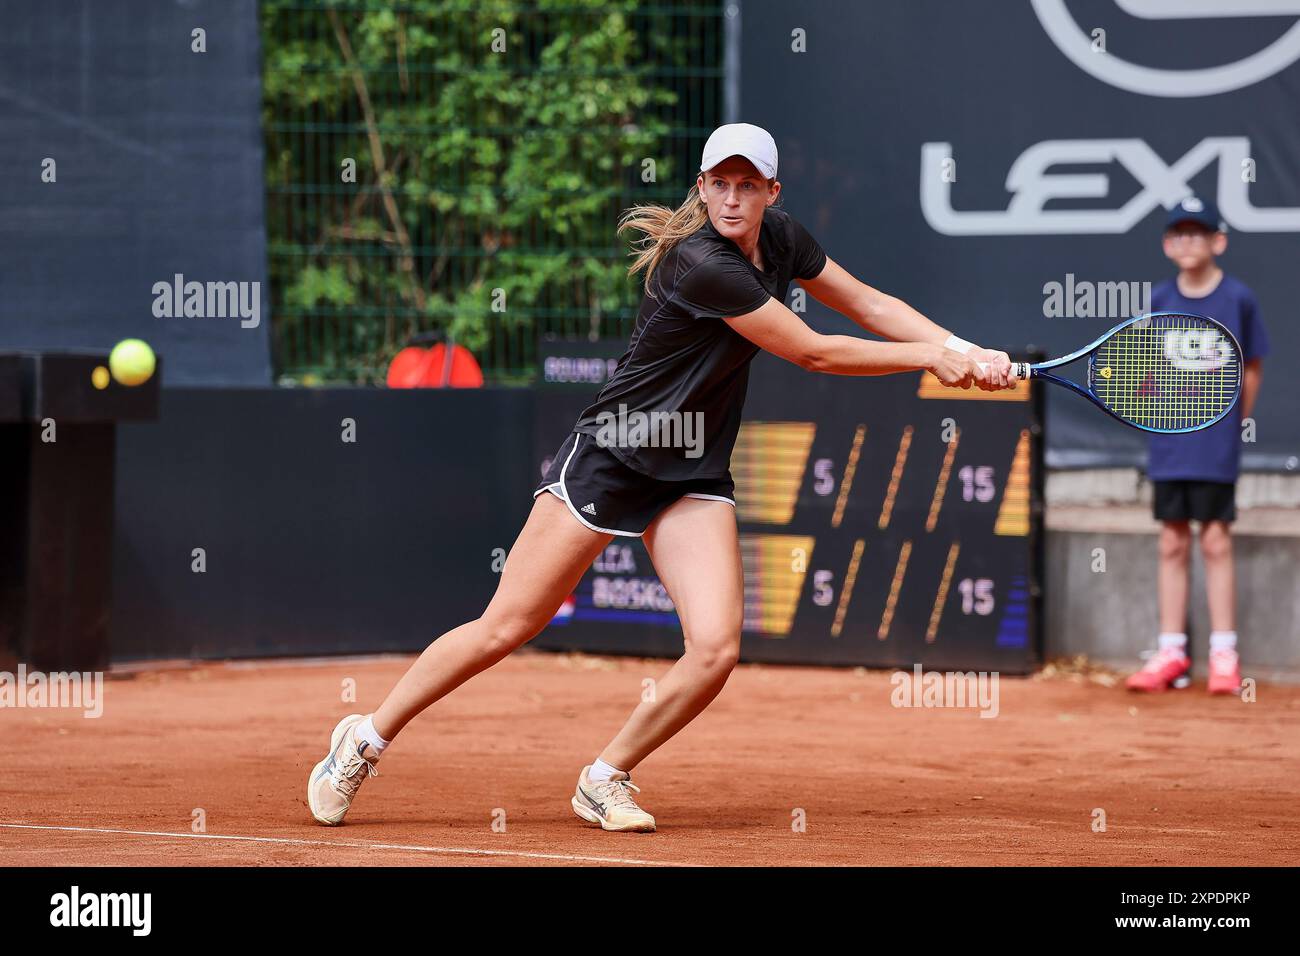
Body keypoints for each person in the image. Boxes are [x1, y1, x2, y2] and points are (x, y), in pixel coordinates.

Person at [307, 123, 1015, 832]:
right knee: (506, 626)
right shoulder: (703, 263)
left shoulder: (784, 240)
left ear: (772, 192)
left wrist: (963, 347)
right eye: (720, 183)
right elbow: (815, 353)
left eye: (748, 185)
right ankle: (363, 740)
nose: (732, 198)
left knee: (715, 649)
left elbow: (867, 303)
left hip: (694, 467)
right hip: (614, 455)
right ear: (701, 186)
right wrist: (928, 358)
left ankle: (603, 776)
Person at [1126, 197, 1268, 695]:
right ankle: (1170, 652)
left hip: (1215, 444)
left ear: (1218, 241)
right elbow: (1144, 370)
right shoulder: (1159, 299)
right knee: (1171, 541)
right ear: (1167, 245)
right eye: (1178, 234)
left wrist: (1231, 423)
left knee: (1214, 539)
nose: (1188, 242)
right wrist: (1155, 409)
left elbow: (1250, 366)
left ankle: (1224, 655)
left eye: (1198, 233)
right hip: (1169, 441)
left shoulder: (1239, 299)